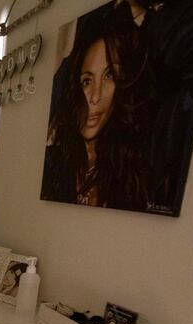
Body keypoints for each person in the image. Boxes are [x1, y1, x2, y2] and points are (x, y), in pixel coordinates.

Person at [41, 7, 152, 211]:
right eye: (86, 81)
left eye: (109, 76)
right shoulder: (50, 165)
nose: (95, 96)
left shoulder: (134, 172)